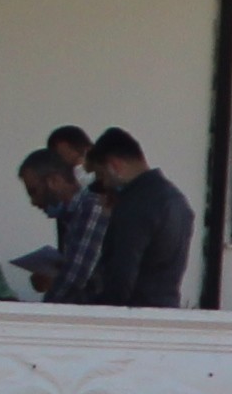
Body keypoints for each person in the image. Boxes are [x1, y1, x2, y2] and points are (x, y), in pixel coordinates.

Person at [80, 126, 195, 311]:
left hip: (132, 316)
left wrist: (98, 310)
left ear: (115, 166)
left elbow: (121, 278)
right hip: (167, 309)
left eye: (101, 175)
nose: (104, 184)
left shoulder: (135, 204)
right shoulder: (177, 200)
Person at [12, 145, 88, 296]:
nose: (33, 202)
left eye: (34, 191)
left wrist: (55, 282)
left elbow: (79, 279)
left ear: (54, 180)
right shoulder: (69, 217)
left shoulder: (89, 208)